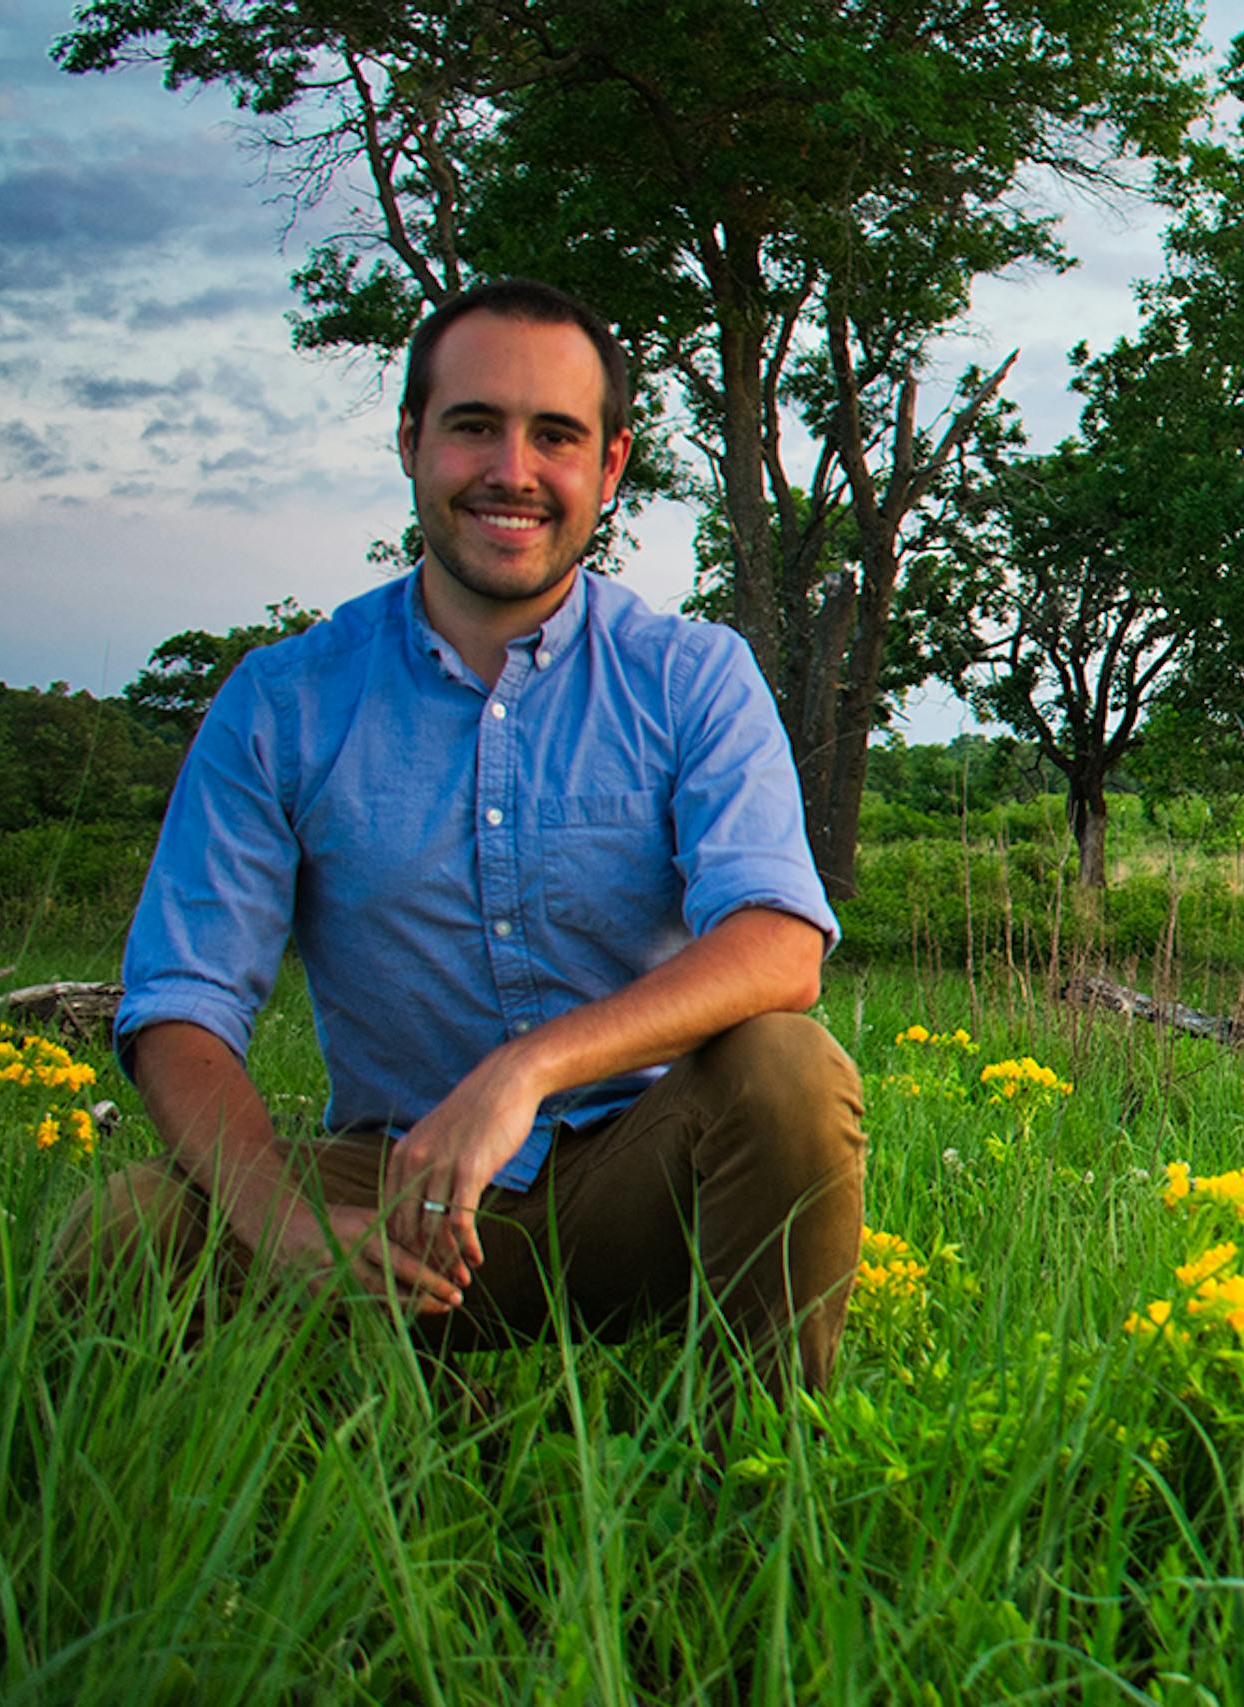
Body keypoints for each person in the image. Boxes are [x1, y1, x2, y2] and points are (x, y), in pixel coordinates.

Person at [59, 278, 864, 1396]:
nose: (513, 471)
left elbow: (781, 940)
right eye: (474, 426)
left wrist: (525, 1073)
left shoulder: (689, 675)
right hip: (392, 1202)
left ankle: (756, 1491)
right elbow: (182, 1004)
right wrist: (275, 1220)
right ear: (411, 440)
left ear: (611, 466)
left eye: (556, 437)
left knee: (786, 1069)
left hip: (632, 1189)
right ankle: (232, 1489)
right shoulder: (284, 702)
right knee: (120, 1227)